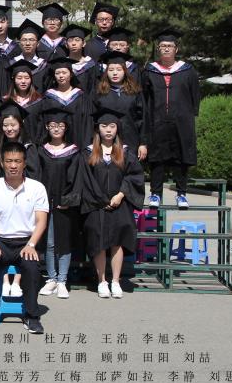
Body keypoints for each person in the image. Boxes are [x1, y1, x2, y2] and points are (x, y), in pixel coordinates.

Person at [0, 141, 49, 334]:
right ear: (2, 162)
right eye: (9, 161)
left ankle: (32, 316)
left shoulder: (37, 188)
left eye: (17, 161)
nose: (13, 165)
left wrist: (31, 244)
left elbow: (41, 221)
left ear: (24, 163)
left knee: (32, 268)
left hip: (26, 242)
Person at [81, 107, 145, 299]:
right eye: (104, 126)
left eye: (112, 126)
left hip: (120, 203)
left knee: (118, 242)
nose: (108, 130)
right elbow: (86, 180)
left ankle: (115, 281)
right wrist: (102, 199)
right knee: (99, 242)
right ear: (97, 129)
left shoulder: (125, 152)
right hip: (96, 204)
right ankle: (102, 281)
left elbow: (134, 176)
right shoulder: (88, 152)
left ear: (117, 128)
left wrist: (120, 195)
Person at [141, 28, 200, 209]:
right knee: (157, 159)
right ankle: (156, 194)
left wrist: (189, 116)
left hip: (181, 121)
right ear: (158, 49)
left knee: (181, 157)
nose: (166, 48)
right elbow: (144, 98)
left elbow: (195, 96)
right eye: (163, 46)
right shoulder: (150, 71)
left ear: (176, 49)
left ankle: (181, 194)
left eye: (170, 46)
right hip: (156, 121)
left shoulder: (188, 70)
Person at [36, 107, 83, 300]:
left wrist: (69, 199)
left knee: (63, 242)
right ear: (47, 127)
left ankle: (62, 280)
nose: (56, 128)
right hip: (45, 202)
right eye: (53, 125)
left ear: (66, 128)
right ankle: (52, 278)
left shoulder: (73, 152)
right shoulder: (41, 151)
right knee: (48, 242)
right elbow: (36, 177)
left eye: (60, 125)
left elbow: (77, 178)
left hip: (64, 203)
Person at [95, 51, 145, 155]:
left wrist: (143, 143)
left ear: (125, 71)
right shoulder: (99, 93)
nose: (115, 73)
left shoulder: (134, 92)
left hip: (131, 139)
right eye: (111, 70)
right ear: (106, 72)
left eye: (119, 69)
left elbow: (142, 118)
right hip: (106, 143)